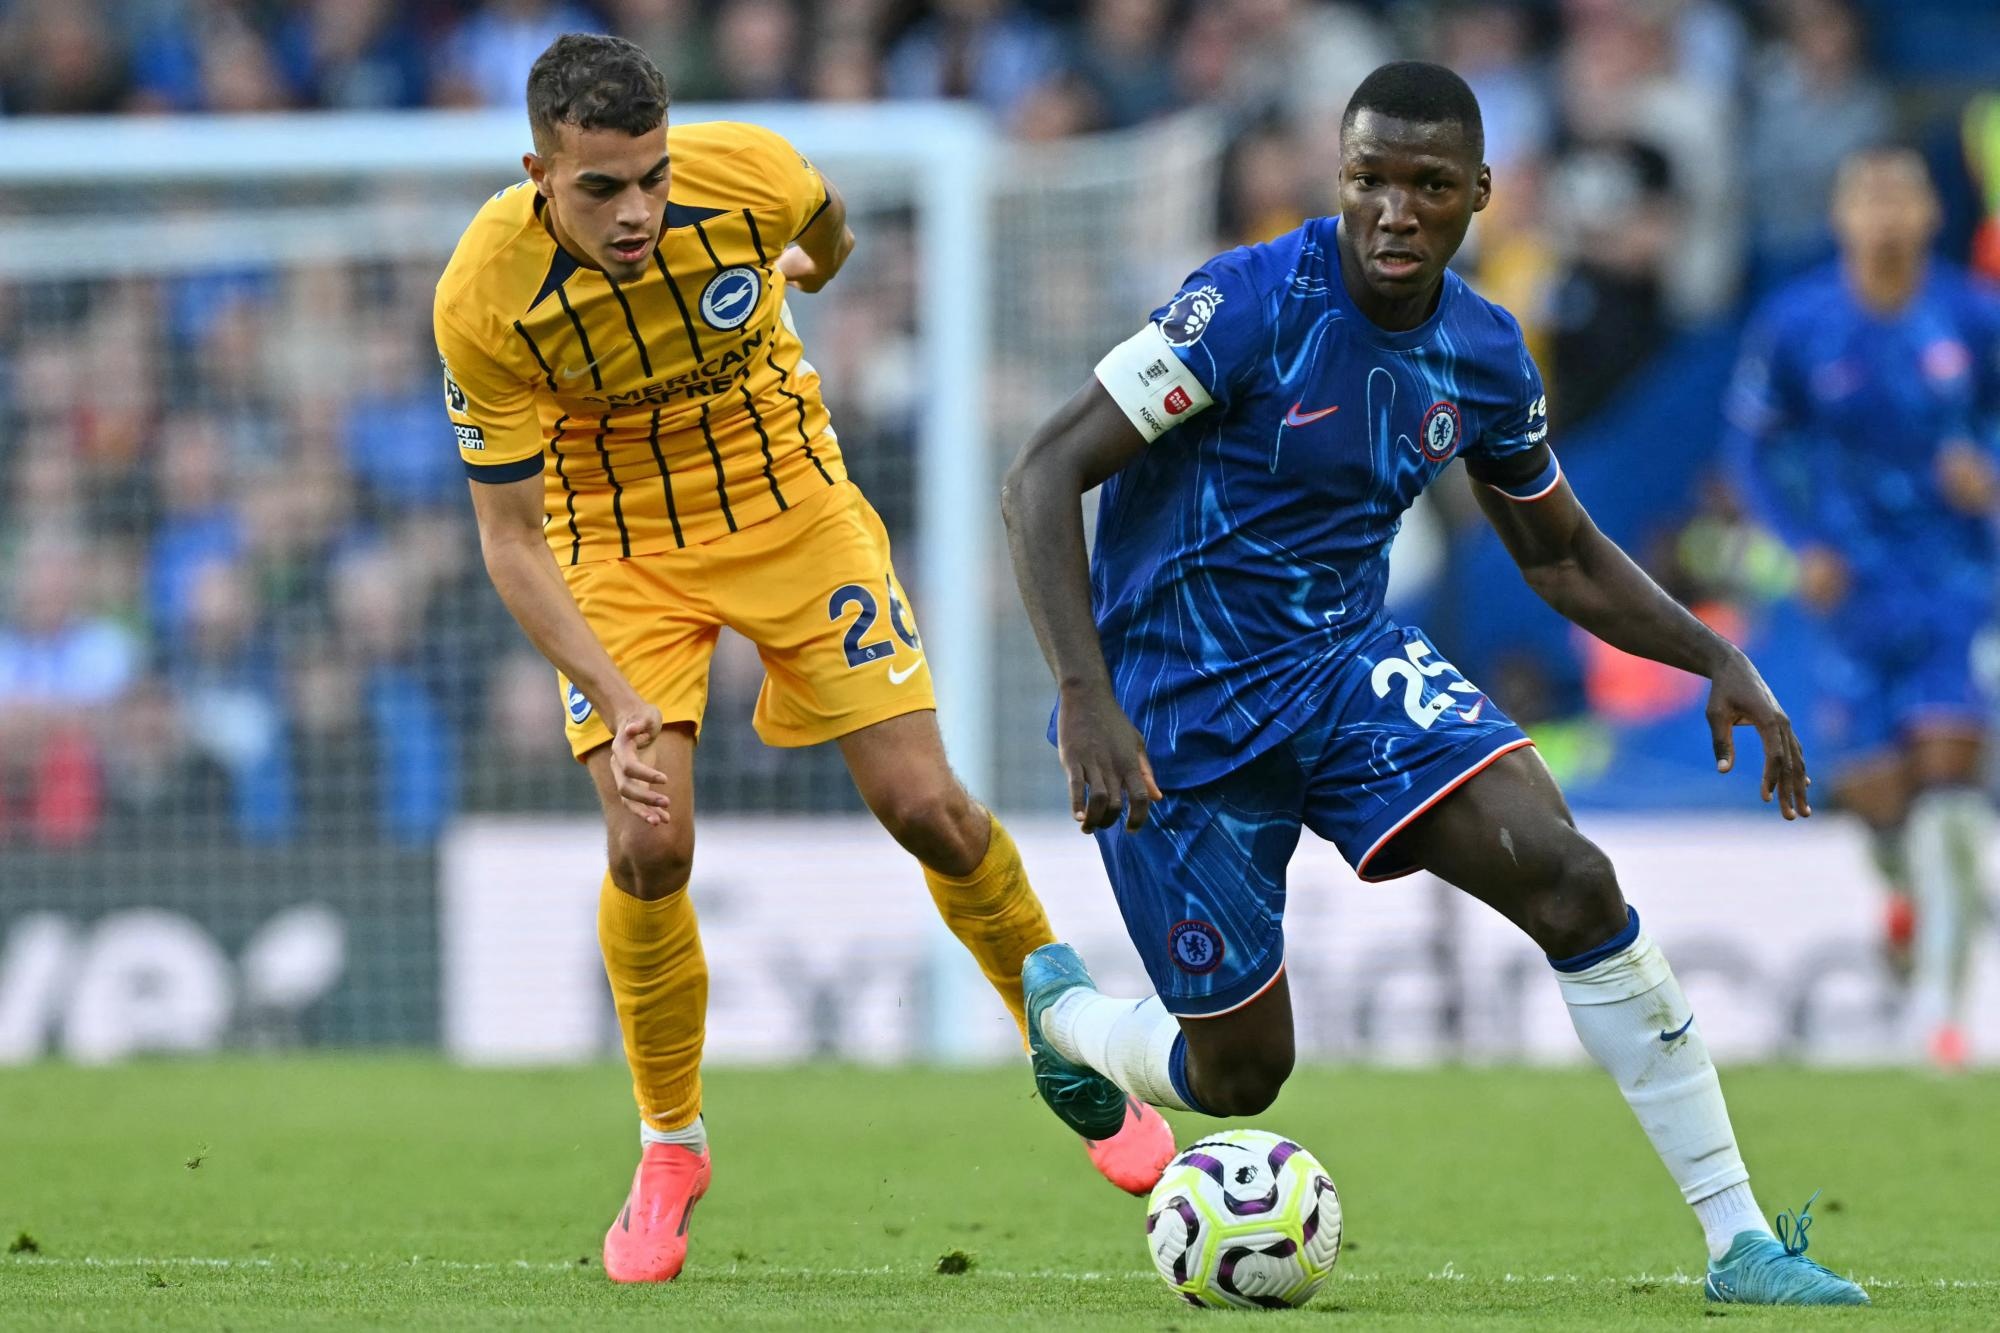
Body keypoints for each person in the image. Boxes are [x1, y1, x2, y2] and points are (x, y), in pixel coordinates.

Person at [1002, 61, 1866, 1307]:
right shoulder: (1245, 305)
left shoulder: (1481, 351)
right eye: (1368, 180)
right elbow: (1040, 474)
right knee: (1239, 1074)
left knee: (1570, 878)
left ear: (1479, 193)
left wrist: (1716, 655)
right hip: (1176, 702)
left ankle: (1740, 1242)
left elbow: (1558, 554)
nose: (1393, 212)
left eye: (1426, 185)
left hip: (1343, 664)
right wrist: (1086, 696)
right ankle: (1073, 1024)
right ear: (1339, 179)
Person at [433, 32, 1170, 1285]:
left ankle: (1061, 1040)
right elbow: (509, 540)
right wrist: (615, 696)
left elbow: (828, 239)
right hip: (616, 547)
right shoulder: (482, 296)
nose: (636, 212)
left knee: (925, 806)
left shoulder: (751, 174)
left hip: (792, 507)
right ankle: (670, 1143)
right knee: (648, 843)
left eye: (653, 178)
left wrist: (805, 269)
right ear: (538, 174)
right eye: (601, 188)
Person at [1726, 146, 2000, 1070]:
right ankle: (1908, 895)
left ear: (1930, 213)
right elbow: (1751, 449)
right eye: (1867, 199)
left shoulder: (1973, 315)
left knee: (1950, 792)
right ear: (1841, 216)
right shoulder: (1798, 324)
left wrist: (1989, 472)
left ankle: (1940, 1017)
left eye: (1899, 197)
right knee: (1880, 803)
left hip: (1955, 584)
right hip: (1850, 590)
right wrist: (1796, 544)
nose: (1884, 215)